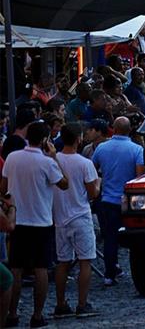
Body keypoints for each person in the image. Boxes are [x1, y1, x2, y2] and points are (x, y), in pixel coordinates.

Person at [1, 121, 69, 328]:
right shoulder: (47, 163)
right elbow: (64, 184)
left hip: (17, 219)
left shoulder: (12, 157)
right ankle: (37, 315)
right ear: (45, 140)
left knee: (16, 268)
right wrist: (54, 156)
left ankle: (12, 313)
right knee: (41, 268)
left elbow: (3, 187)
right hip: (40, 220)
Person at [52, 122, 99, 317]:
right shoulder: (84, 163)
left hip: (60, 217)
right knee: (85, 261)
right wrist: (99, 184)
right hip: (80, 215)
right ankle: (82, 303)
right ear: (79, 139)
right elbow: (92, 193)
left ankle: (61, 304)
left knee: (63, 262)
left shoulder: (53, 161)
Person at [91, 117, 144, 287]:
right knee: (136, 237)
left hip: (107, 199)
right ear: (129, 130)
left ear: (113, 129)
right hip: (128, 200)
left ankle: (109, 273)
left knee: (110, 238)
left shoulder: (101, 148)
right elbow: (139, 176)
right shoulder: (136, 149)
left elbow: (93, 169)